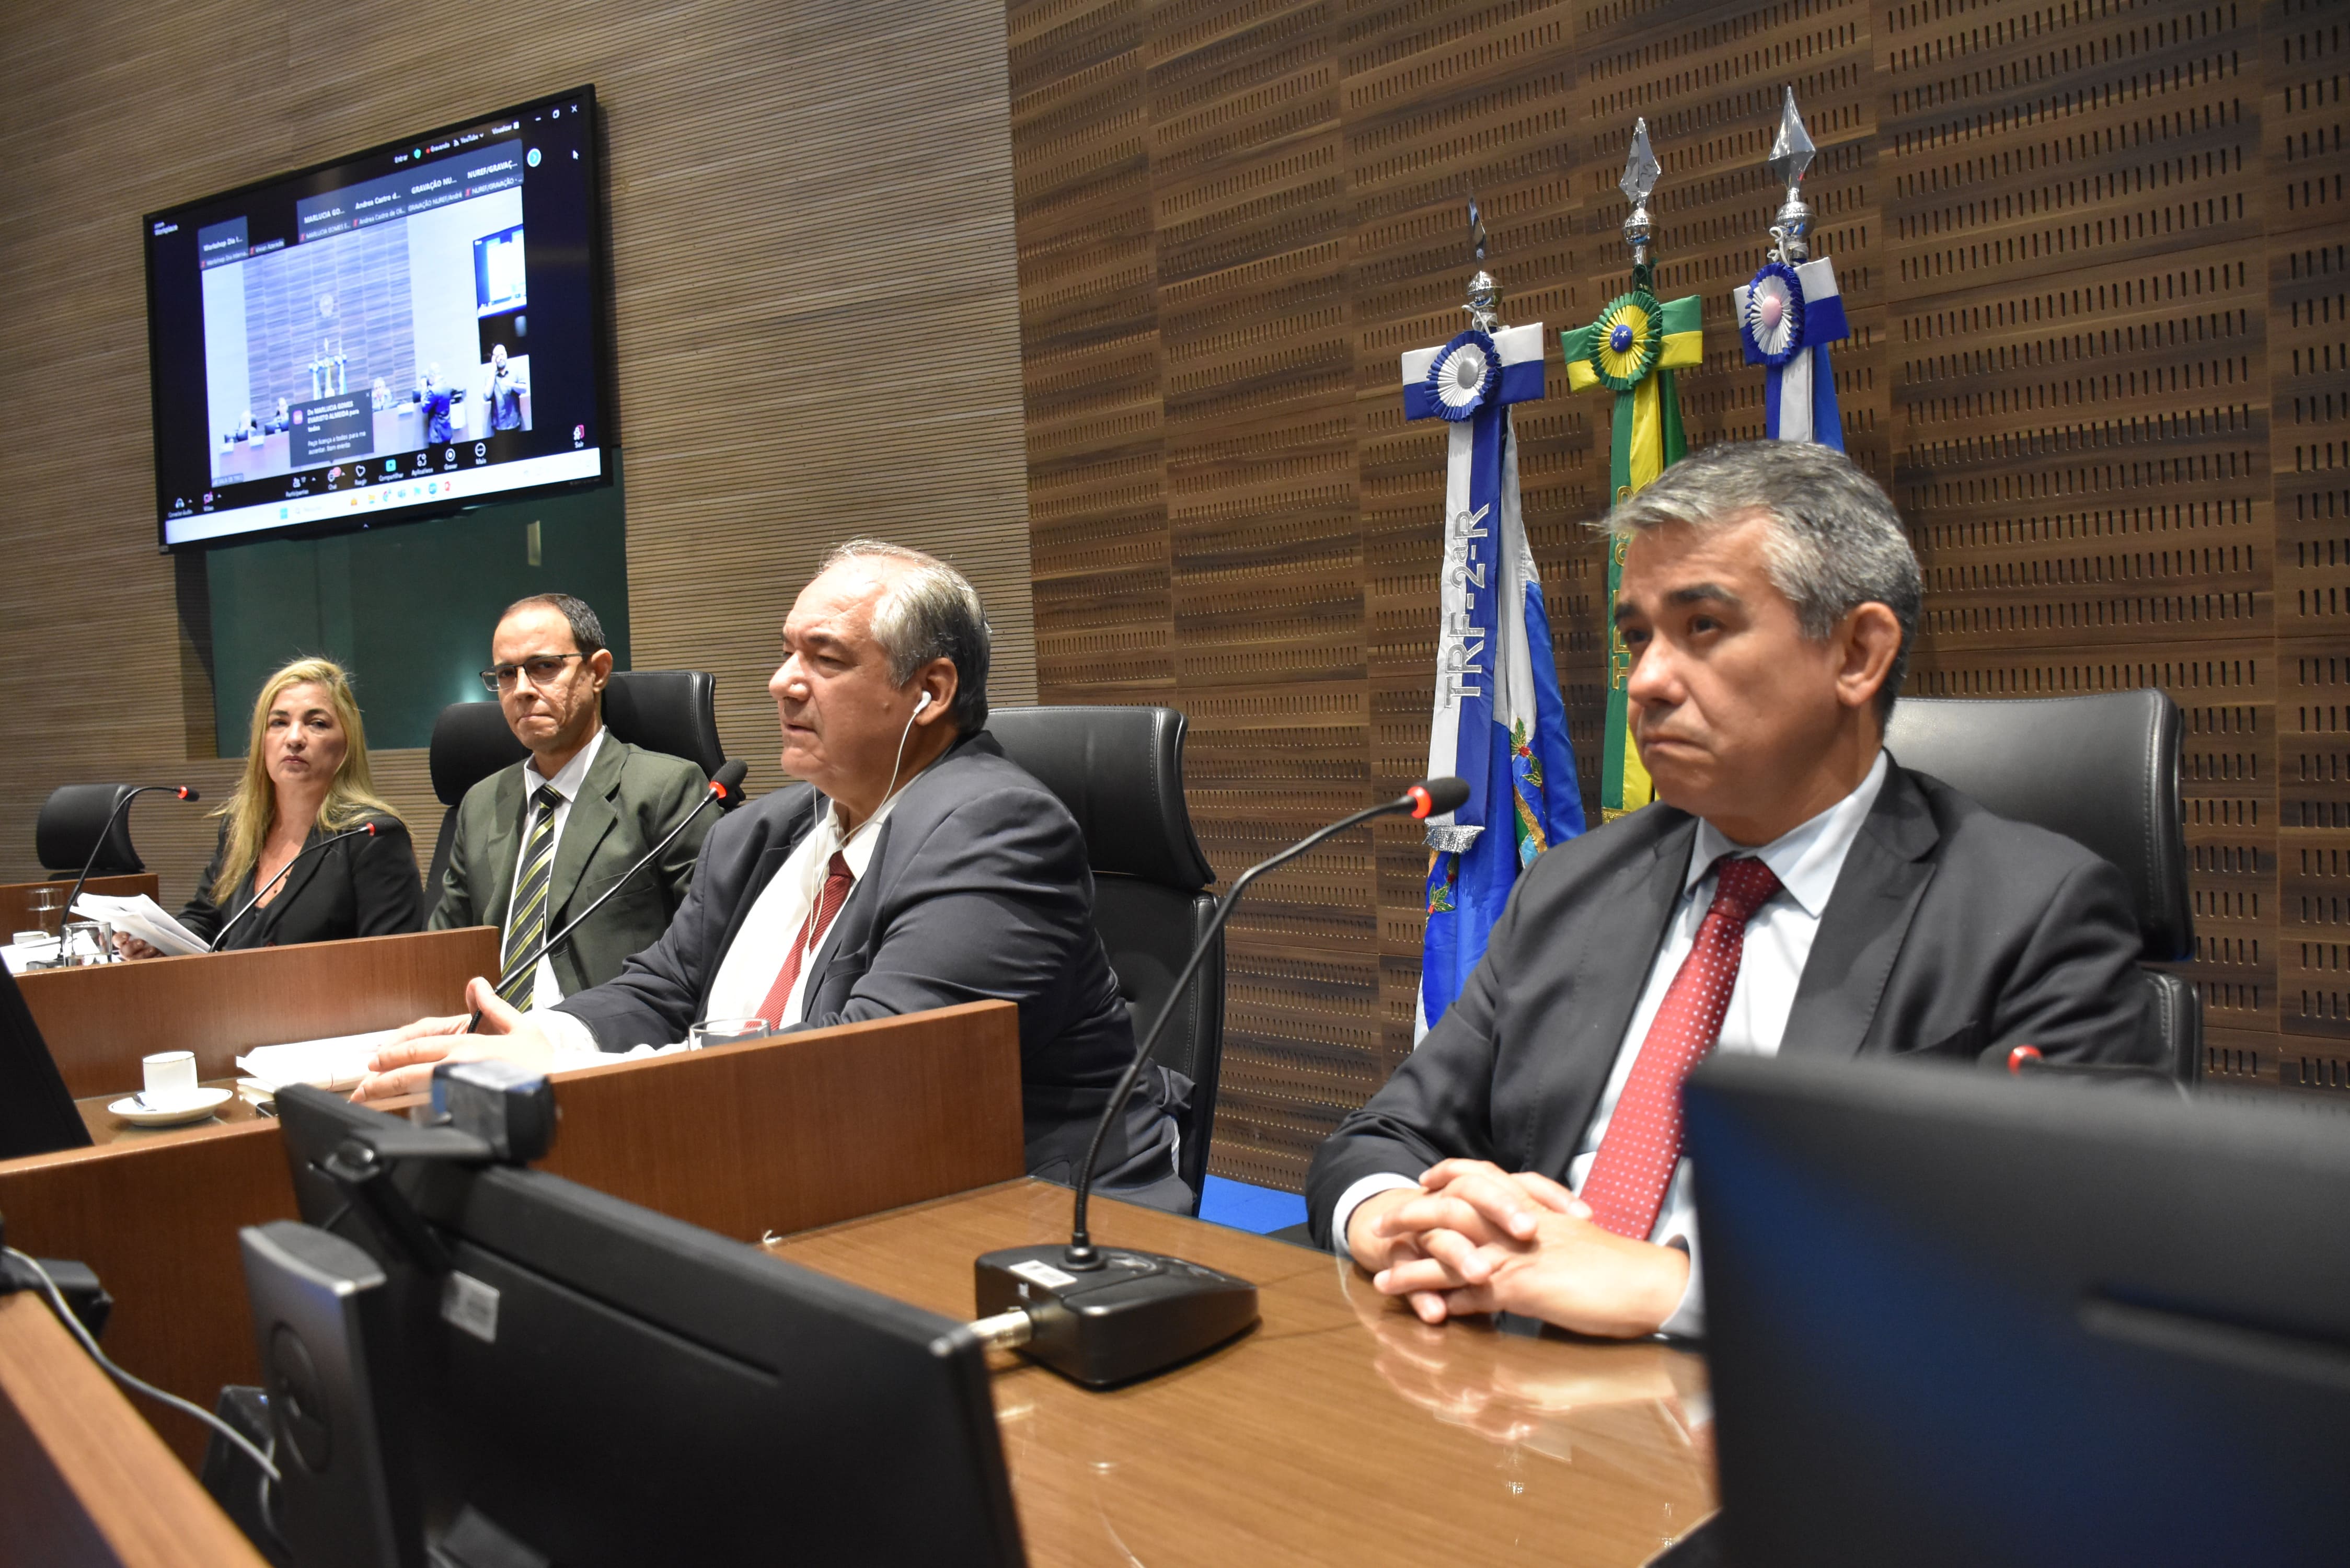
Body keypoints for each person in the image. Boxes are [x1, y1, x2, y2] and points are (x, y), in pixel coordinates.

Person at [1306, 441, 2159, 1339]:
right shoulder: (1570, 887)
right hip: (1515, 1407)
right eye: (1638, 637)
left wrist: (1673, 1287)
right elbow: (1383, 1136)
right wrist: (1391, 1216)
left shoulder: (2029, 915)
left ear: (1859, 653)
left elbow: (2063, 1257)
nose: (1646, 682)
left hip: (1815, 1430)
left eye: (1702, 627)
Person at [355, 540, 1191, 1208]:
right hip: (787, 1179)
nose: (781, 681)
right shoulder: (758, 831)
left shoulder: (997, 830)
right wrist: (548, 1038)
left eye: (823, 658)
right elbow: (657, 988)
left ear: (930, 692)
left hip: (1007, 1219)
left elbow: (861, 1076)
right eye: (787, 651)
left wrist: (575, 1079)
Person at [430, 594, 715, 1007]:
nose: (522, 691)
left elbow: (708, 946)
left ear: (597, 672)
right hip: (485, 1044)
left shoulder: (666, 789)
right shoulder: (479, 804)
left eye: (544, 667)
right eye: (507, 674)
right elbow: (442, 952)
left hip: (606, 1045)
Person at [122, 658, 424, 955]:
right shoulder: (241, 827)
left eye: (317, 724)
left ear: (347, 744)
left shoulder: (371, 837)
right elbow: (204, 918)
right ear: (261, 742)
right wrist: (157, 942)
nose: (294, 738)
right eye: (279, 723)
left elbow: (392, 964)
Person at [483, 343, 526, 432]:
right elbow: (486, 396)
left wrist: (511, 384)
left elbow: (524, 389)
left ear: (506, 355)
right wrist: (493, 370)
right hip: (499, 427)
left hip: (515, 424)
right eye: (497, 356)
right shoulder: (490, 377)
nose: (500, 358)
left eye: (502, 354)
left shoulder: (515, 371)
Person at [416, 367, 455, 445]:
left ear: (432, 375)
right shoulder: (446, 386)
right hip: (447, 431)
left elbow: (424, 408)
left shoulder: (434, 391)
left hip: (437, 435)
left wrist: (424, 389)